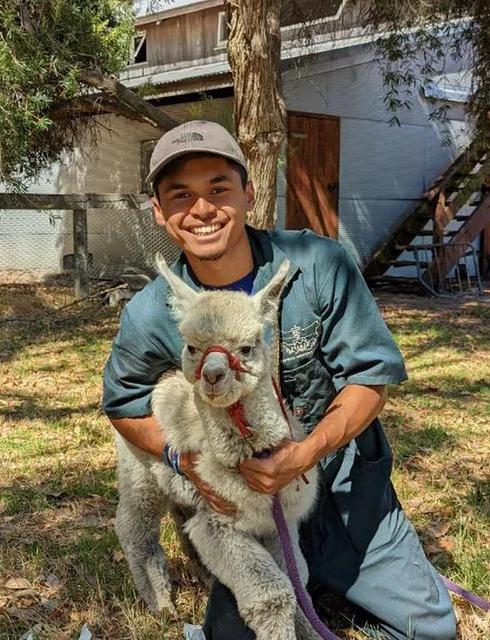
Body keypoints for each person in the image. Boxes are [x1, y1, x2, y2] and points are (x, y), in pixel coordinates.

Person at [102, 120, 456, 640]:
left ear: (249, 193)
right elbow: (123, 404)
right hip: (239, 502)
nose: (201, 209)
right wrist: (187, 464)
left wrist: (305, 453)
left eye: (218, 188)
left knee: (429, 633)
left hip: (335, 484)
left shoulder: (317, 266)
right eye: (181, 195)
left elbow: (370, 378)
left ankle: (337, 577)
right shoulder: (155, 310)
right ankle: (303, 584)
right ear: (160, 211)